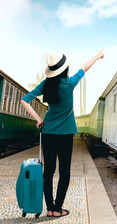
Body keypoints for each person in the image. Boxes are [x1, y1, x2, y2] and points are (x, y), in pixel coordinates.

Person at [21, 49, 104, 217]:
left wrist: (38, 119)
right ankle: (57, 208)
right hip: (65, 136)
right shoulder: (69, 83)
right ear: (65, 69)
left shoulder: (45, 85)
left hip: (48, 134)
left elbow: (24, 100)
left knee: (48, 172)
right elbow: (84, 68)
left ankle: (50, 209)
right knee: (64, 172)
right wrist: (96, 56)